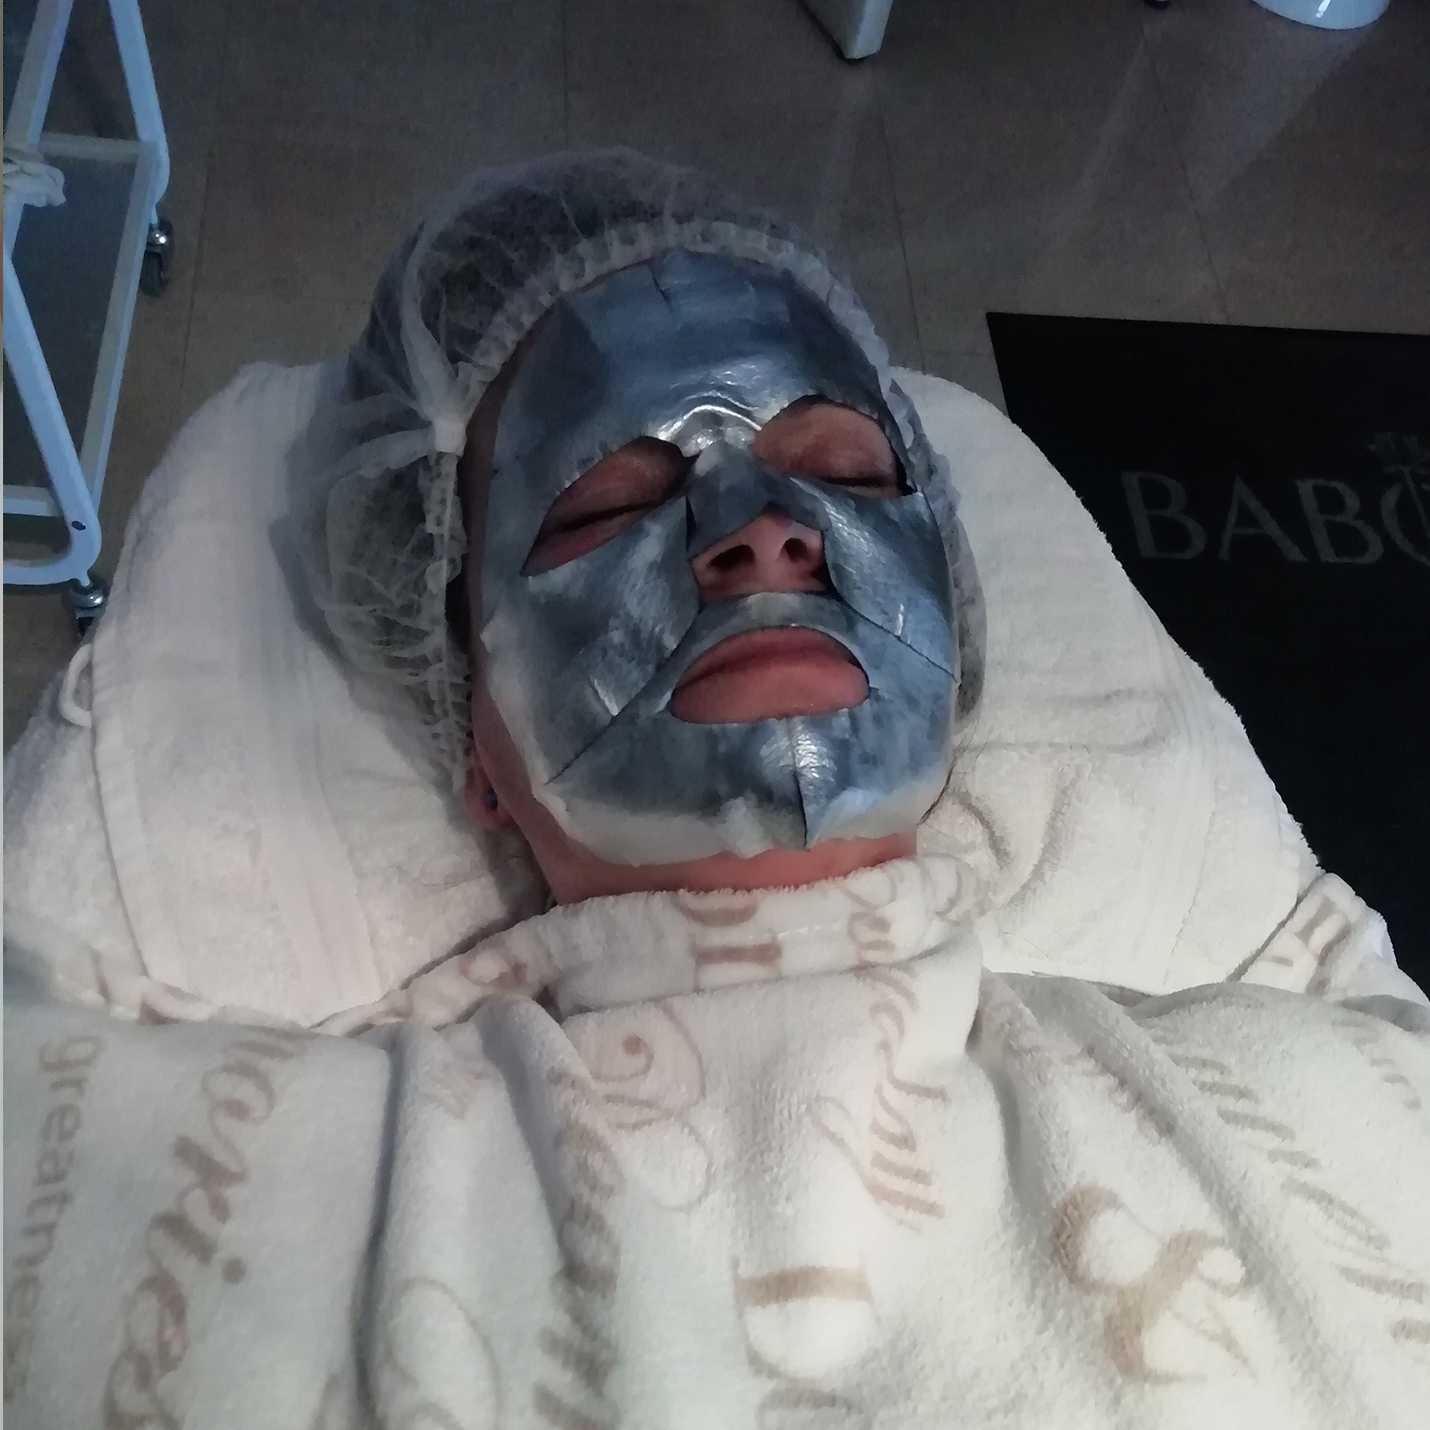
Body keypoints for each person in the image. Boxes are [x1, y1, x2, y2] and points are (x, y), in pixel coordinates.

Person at [3, 150, 1428, 1430]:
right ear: (472, 735)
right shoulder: (219, 1212)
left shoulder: (1309, 1105)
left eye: (839, 468)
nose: (761, 535)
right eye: (608, 501)